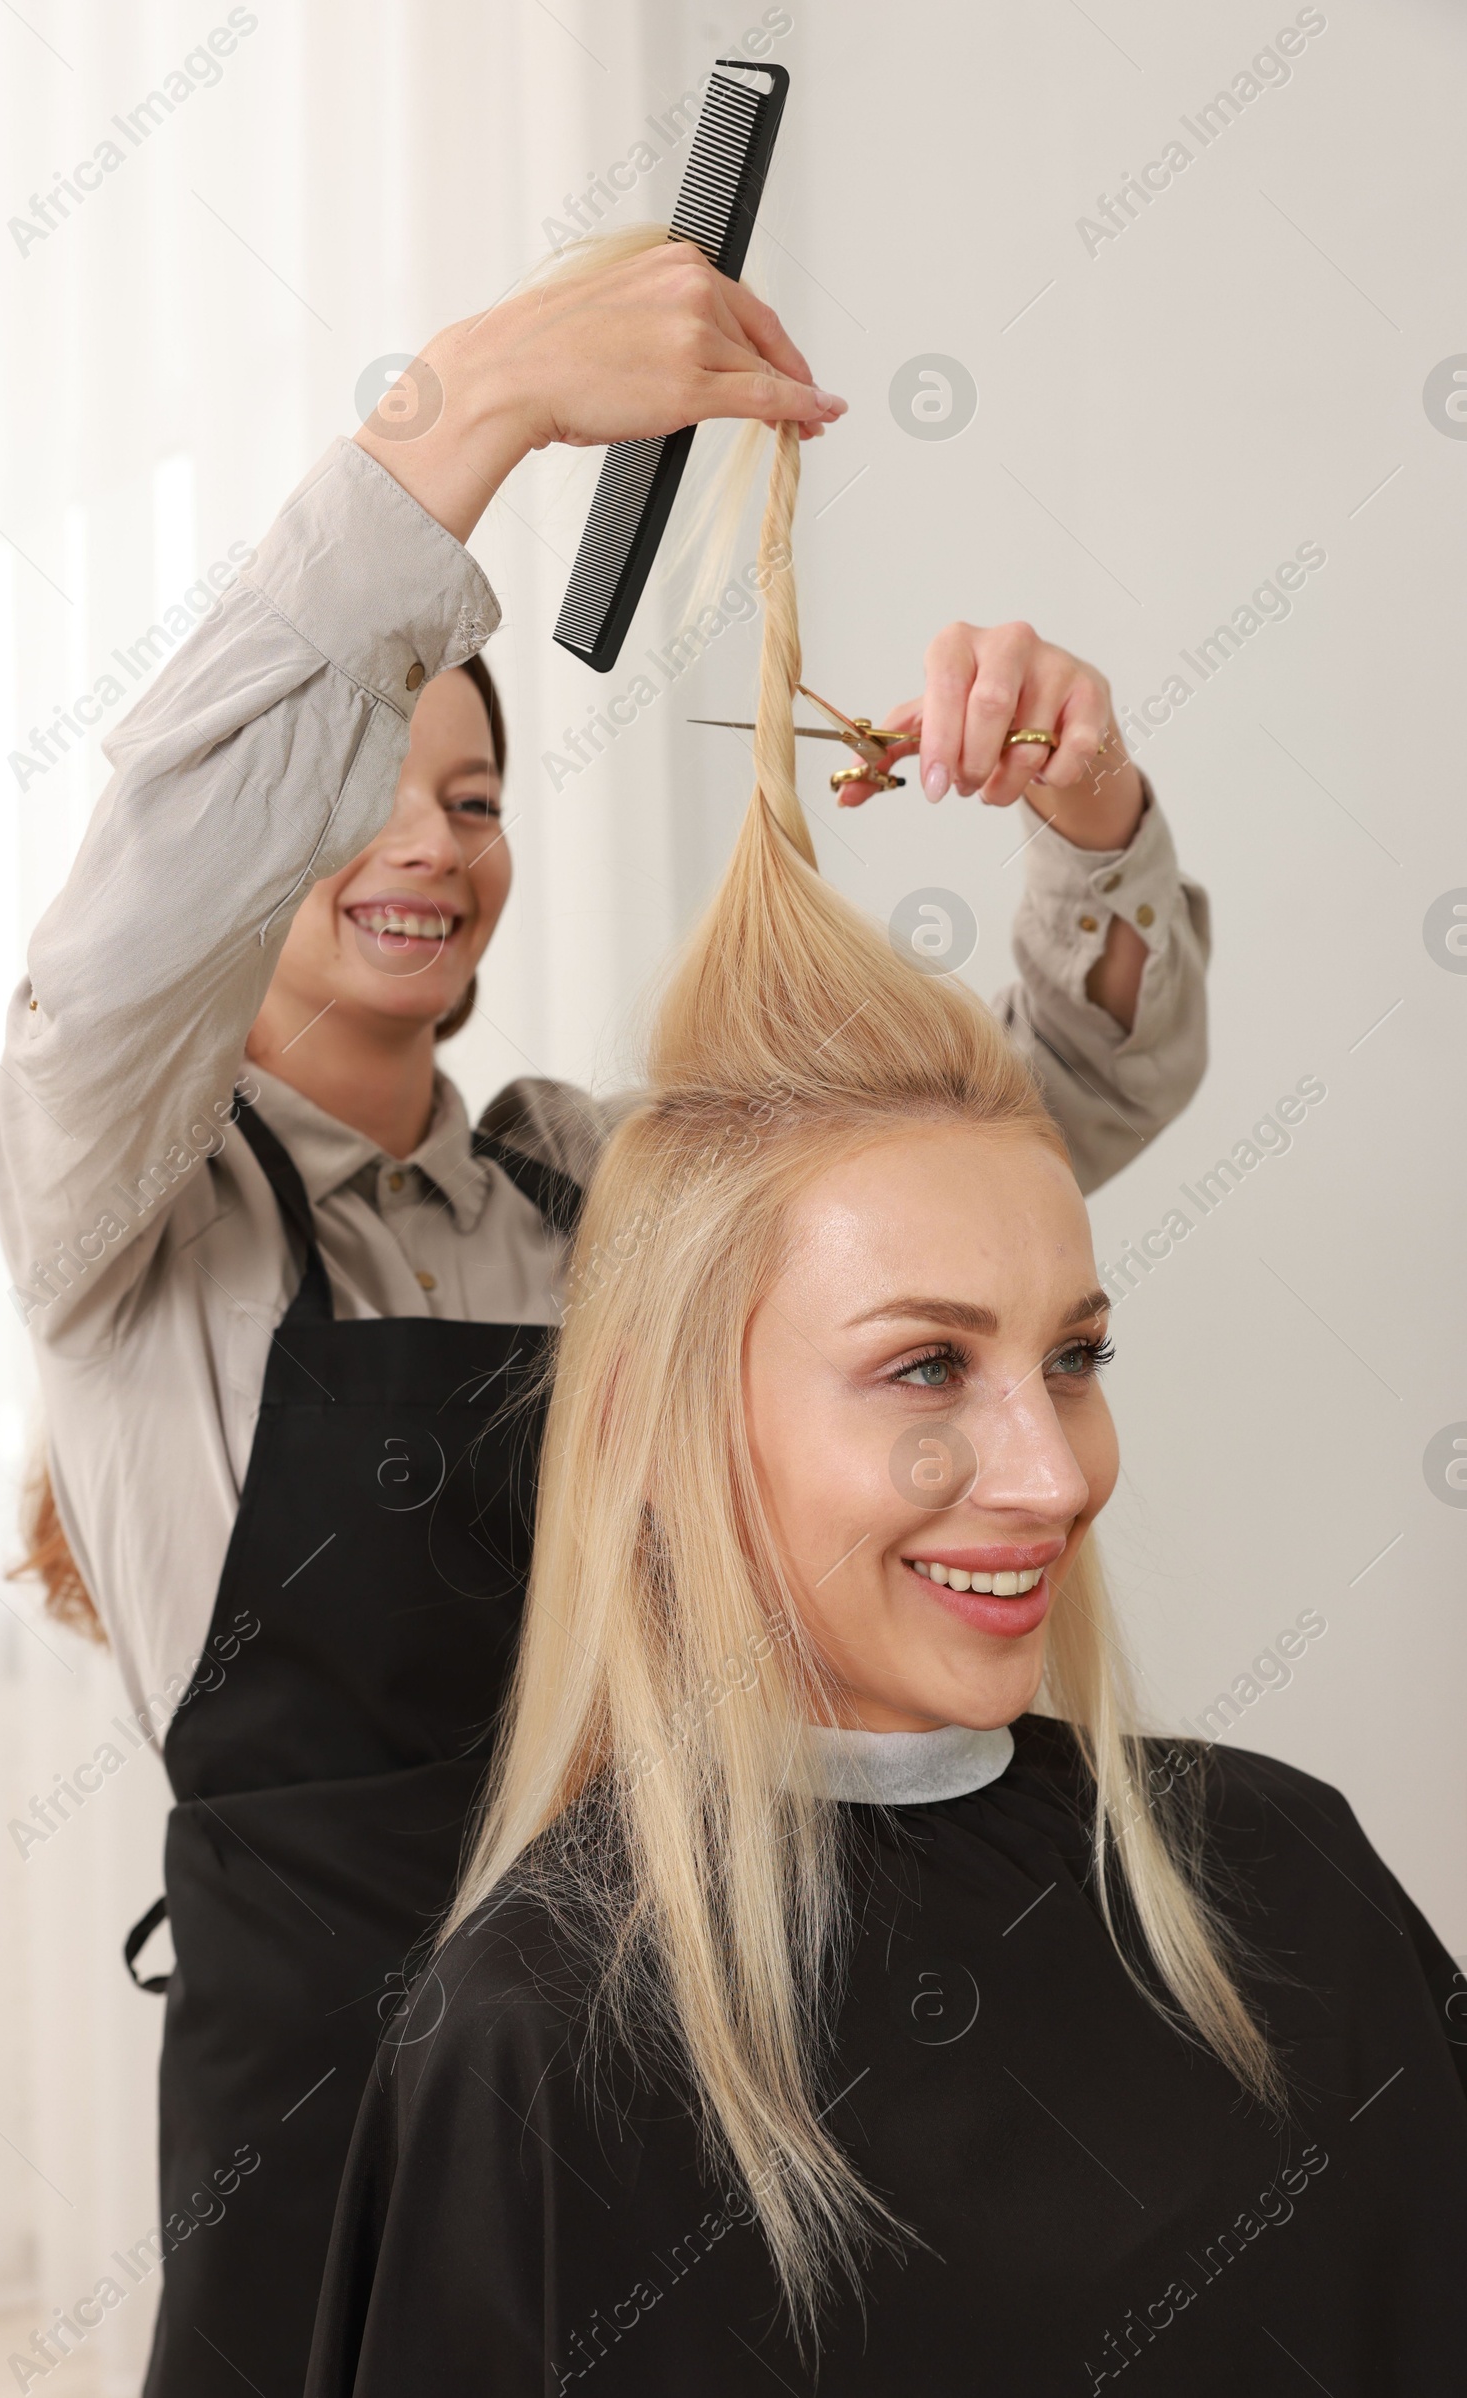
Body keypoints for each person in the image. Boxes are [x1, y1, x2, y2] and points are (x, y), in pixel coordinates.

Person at [0, 234, 1209, 2398]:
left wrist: (1084, 813)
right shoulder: (126, 1208)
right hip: (308, 2078)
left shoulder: (597, 1182)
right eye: (363, 794)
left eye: (472, 797)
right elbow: (128, 931)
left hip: (647, 2024)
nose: (427, 845)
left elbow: (1028, 1133)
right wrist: (464, 416)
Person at [306, 421, 1467, 2398]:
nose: (1054, 1467)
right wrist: (469, 412)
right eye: (925, 1365)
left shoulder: (1283, 1884)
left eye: (1073, 1354)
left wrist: (1093, 811)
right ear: (676, 1426)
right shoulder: (534, 2041)